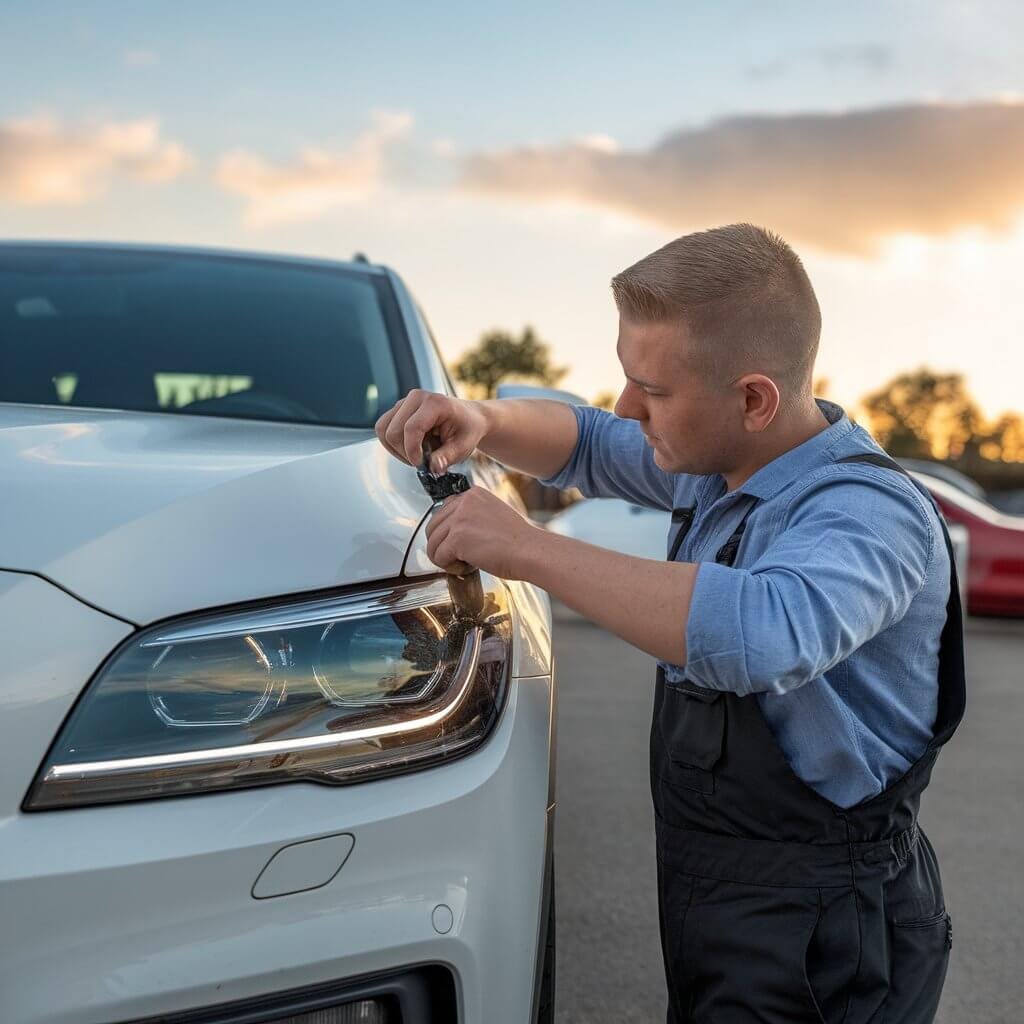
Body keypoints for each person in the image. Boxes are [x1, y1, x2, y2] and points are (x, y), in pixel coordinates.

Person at [374, 223, 964, 1023]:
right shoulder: (719, 466)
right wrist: (480, 417)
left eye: (651, 390)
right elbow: (589, 440)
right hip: (724, 900)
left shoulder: (870, 513)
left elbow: (763, 633)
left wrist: (525, 548)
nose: (628, 406)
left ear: (752, 398)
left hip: (829, 934)